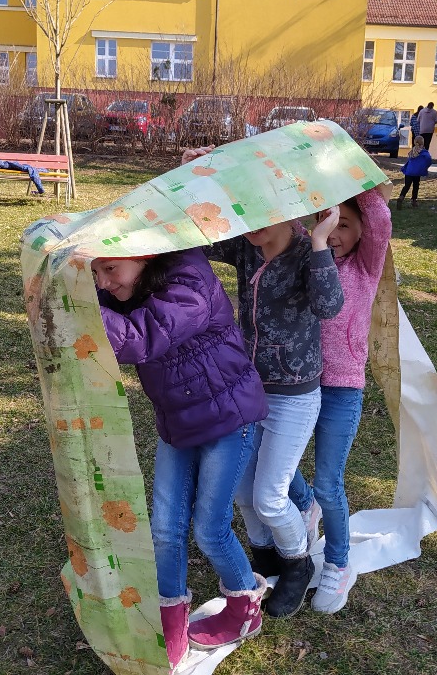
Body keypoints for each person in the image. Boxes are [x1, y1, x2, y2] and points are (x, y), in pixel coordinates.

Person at [94, 250, 269, 672]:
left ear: (145, 254)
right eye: (93, 273)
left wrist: (77, 308)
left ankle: (245, 611)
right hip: (178, 423)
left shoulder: (190, 282)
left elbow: (139, 338)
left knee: (210, 530)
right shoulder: (131, 285)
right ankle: (169, 621)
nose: (103, 283)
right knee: (164, 529)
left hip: (229, 421)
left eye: (110, 268)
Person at [201, 207, 344, 619]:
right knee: (244, 493)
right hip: (247, 391)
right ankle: (265, 558)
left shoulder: (306, 252)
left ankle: (298, 564)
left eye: (263, 211)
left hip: (294, 397)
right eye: (246, 211)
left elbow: (329, 306)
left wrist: (320, 241)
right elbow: (190, 241)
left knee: (269, 498)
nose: (252, 223)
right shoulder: (247, 246)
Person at [288, 185, 392, 613]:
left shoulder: (366, 264)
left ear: (362, 231)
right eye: (325, 221)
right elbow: (286, 219)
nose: (332, 232)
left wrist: (352, 174)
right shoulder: (307, 256)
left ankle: (338, 563)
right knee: (273, 465)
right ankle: (304, 503)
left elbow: (379, 217)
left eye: (343, 224)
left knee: (329, 484)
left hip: (342, 389)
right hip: (297, 385)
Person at [396, 135, 433, 208]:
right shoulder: (423, 152)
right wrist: (425, 166)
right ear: (423, 143)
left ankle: (401, 197)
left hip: (409, 172)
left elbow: (409, 161)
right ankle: (414, 201)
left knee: (407, 186)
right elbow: (429, 159)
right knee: (416, 186)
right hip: (417, 172)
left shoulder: (412, 151)